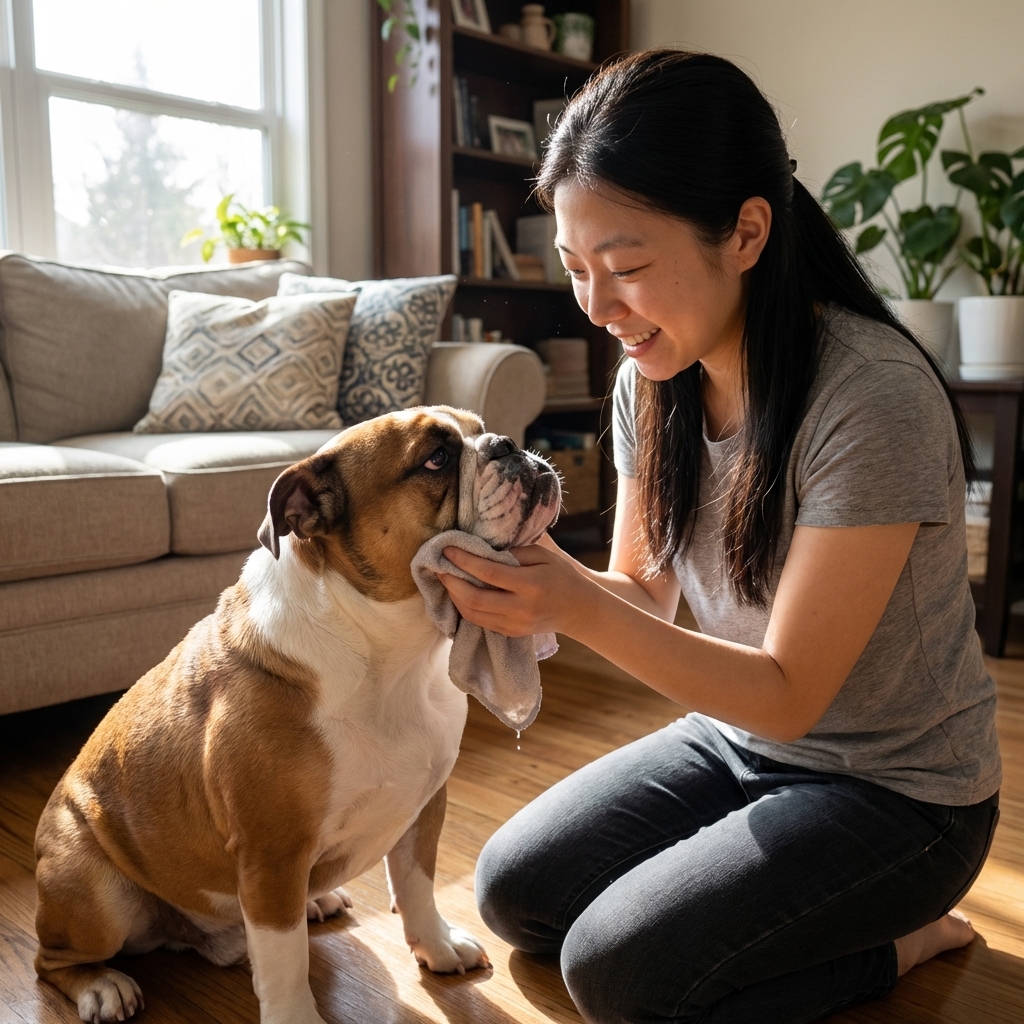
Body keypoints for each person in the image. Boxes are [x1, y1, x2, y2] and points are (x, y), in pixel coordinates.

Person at [437, 50, 1002, 1024]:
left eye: (625, 269)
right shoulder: (647, 378)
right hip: (735, 742)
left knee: (615, 973)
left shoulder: (869, 398)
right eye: (576, 271)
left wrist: (570, 604)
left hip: (902, 795)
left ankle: (906, 936)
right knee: (513, 891)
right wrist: (542, 578)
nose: (599, 308)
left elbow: (789, 693)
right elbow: (646, 590)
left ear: (745, 231)